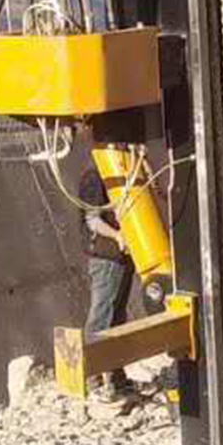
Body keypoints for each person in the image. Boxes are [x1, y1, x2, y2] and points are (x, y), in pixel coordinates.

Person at [79, 159, 135, 408]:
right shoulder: (94, 178)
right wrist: (117, 235)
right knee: (102, 315)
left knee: (116, 316)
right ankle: (94, 380)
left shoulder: (125, 176)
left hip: (121, 257)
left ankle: (115, 376)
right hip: (106, 258)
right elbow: (92, 219)